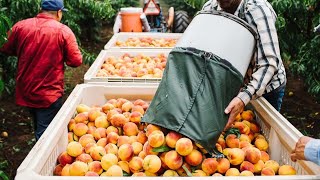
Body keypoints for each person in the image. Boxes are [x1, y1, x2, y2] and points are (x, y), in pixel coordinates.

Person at [0, 0, 82, 140]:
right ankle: (42, 158)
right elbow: (76, 61)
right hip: (49, 92)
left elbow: (5, 47)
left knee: (38, 122)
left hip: (26, 89)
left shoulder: (21, 26)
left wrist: (26, 52)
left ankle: (39, 148)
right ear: (59, 12)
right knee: (46, 132)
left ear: (41, 9)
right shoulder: (62, 31)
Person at [202, 0, 286, 129]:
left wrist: (243, 98)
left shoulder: (257, 10)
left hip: (267, 85)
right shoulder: (210, 9)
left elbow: (268, 63)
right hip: (235, 81)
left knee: (262, 127)